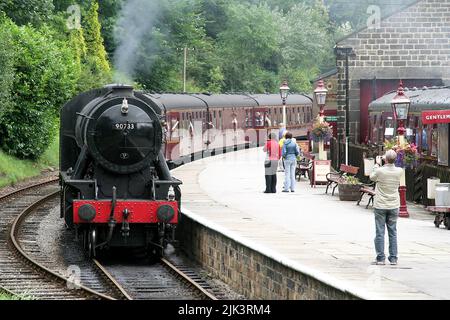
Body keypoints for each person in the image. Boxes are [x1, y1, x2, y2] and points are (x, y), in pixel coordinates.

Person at [369, 149, 404, 266]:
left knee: (380, 232)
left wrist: (377, 164)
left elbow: (371, 177)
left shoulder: (380, 171)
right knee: (392, 232)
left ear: (386, 159)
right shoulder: (399, 171)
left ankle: (380, 258)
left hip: (380, 205)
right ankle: (393, 258)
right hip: (394, 204)